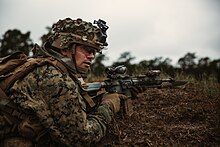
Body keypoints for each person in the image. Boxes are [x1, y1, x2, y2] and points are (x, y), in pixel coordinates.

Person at [0, 18, 127, 146]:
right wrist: (108, 106)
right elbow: (82, 139)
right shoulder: (56, 79)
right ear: (65, 48)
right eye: (87, 50)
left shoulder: (44, 66)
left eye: (94, 51)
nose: (92, 56)